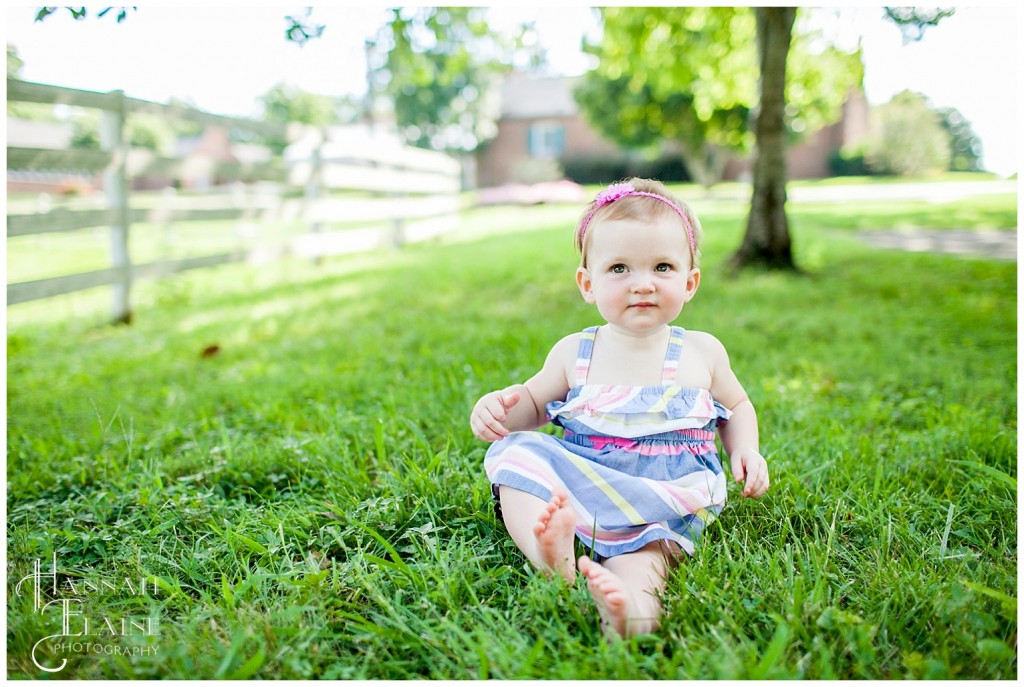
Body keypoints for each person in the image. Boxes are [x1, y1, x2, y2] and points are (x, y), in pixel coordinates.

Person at [469, 178, 769, 639]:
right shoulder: (574, 351)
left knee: (646, 558)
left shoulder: (703, 351)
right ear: (588, 284)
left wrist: (744, 449)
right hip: (584, 481)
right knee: (514, 453)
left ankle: (631, 612)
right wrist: (498, 410)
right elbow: (531, 404)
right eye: (620, 269)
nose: (642, 284)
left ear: (690, 283)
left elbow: (738, 405)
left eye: (663, 267)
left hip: (661, 498)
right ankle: (550, 554)